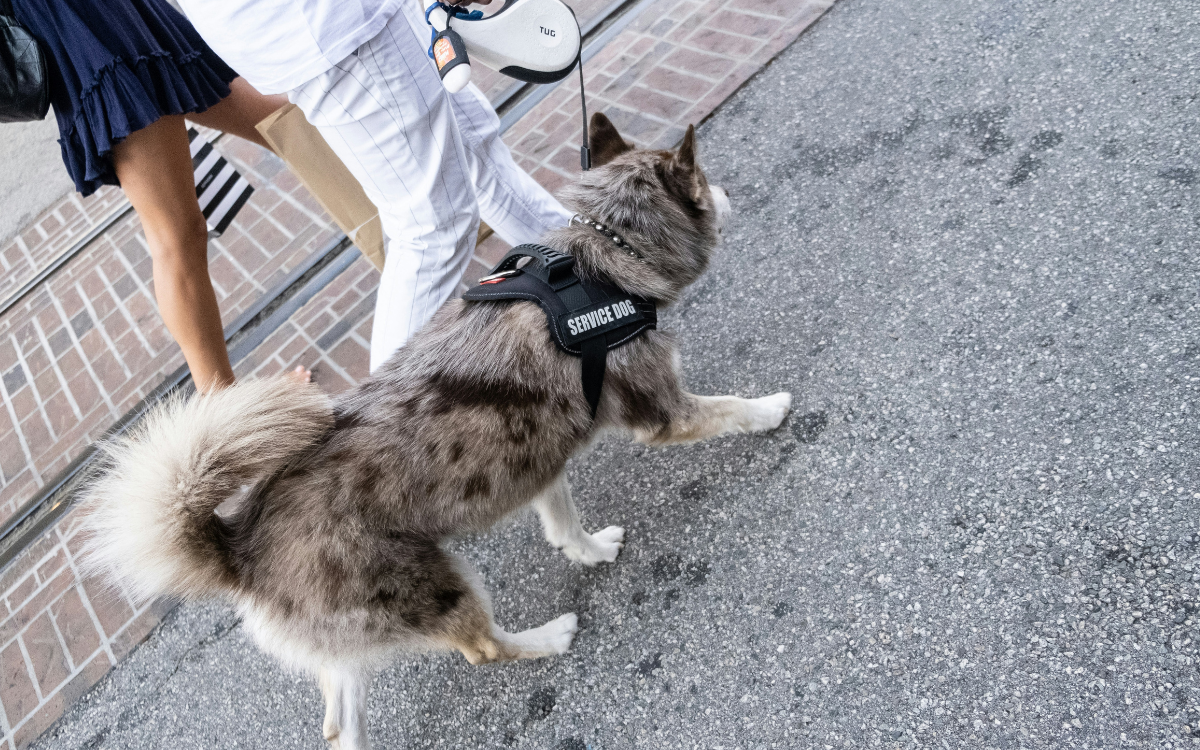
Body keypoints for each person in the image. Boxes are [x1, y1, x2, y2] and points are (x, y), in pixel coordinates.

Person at [174, 0, 575, 371]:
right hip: (332, 21)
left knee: (477, 154)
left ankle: (596, 279)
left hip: (332, 20)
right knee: (433, 227)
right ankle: (388, 436)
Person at [11, 0, 308, 390]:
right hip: (82, 30)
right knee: (178, 236)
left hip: (122, 13)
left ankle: (395, 221)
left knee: (278, 119)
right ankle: (224, 418)